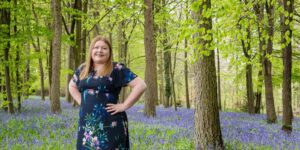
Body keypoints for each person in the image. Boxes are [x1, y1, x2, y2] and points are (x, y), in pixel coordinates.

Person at [68, 35, 147, 150]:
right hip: (87, 126)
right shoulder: (83, 69)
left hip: (110, 123)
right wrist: (82, 101)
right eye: (96, 47)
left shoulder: (117, 69)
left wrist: (124, 105)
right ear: (91, 50)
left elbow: (141, 85)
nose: (99, 50)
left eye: (104, 48)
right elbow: (72, 86)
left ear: (109, 52)